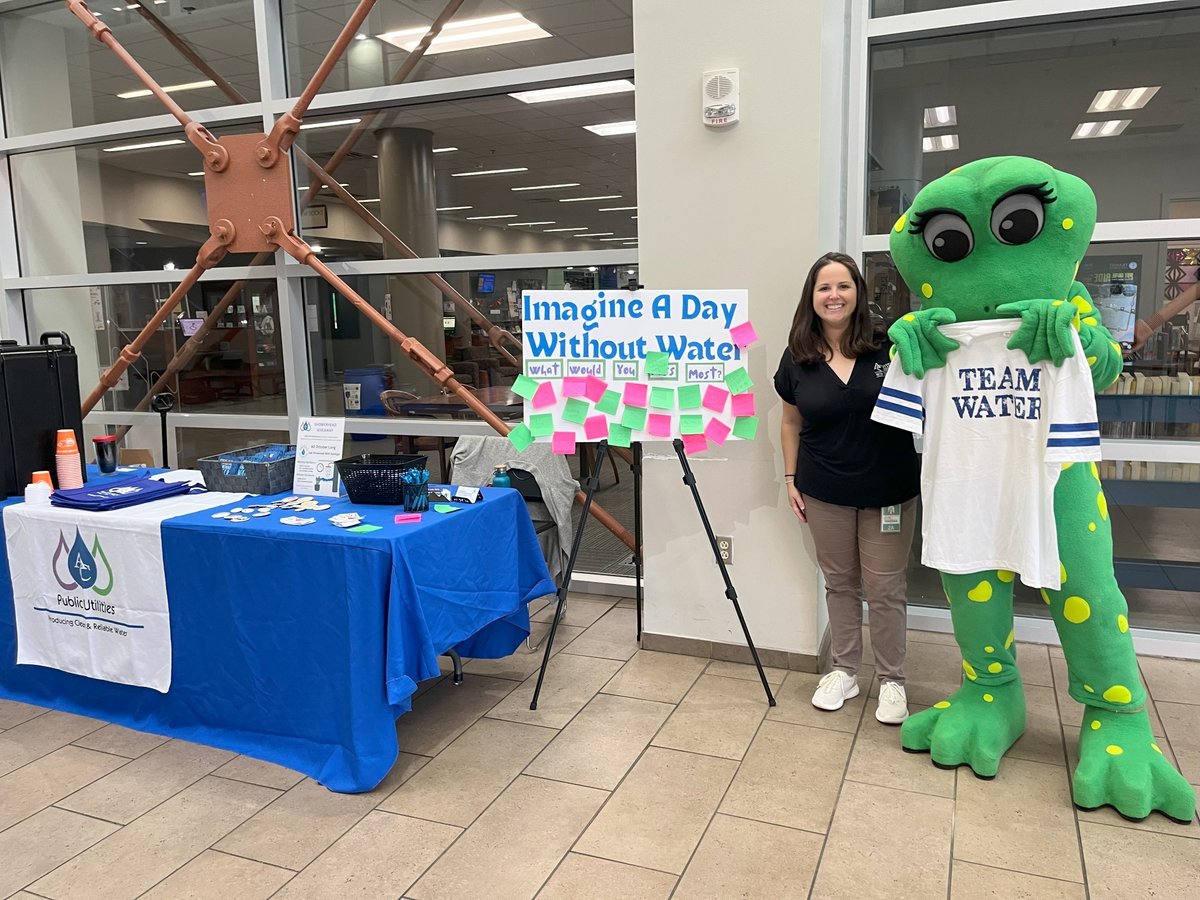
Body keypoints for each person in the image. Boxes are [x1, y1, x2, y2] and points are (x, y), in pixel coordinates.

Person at [773, 251, 921, 724]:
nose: (834, 295)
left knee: (885, 588)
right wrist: (791, 479)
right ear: (812, 297)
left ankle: (892, 679)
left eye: (843, 286)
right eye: (824, 287)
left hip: (888, 490)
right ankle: (844, 670)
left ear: (858, 292)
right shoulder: (798, 355)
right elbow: (790, 423)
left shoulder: (887, 347)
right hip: (824, 489)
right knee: (839, 584)